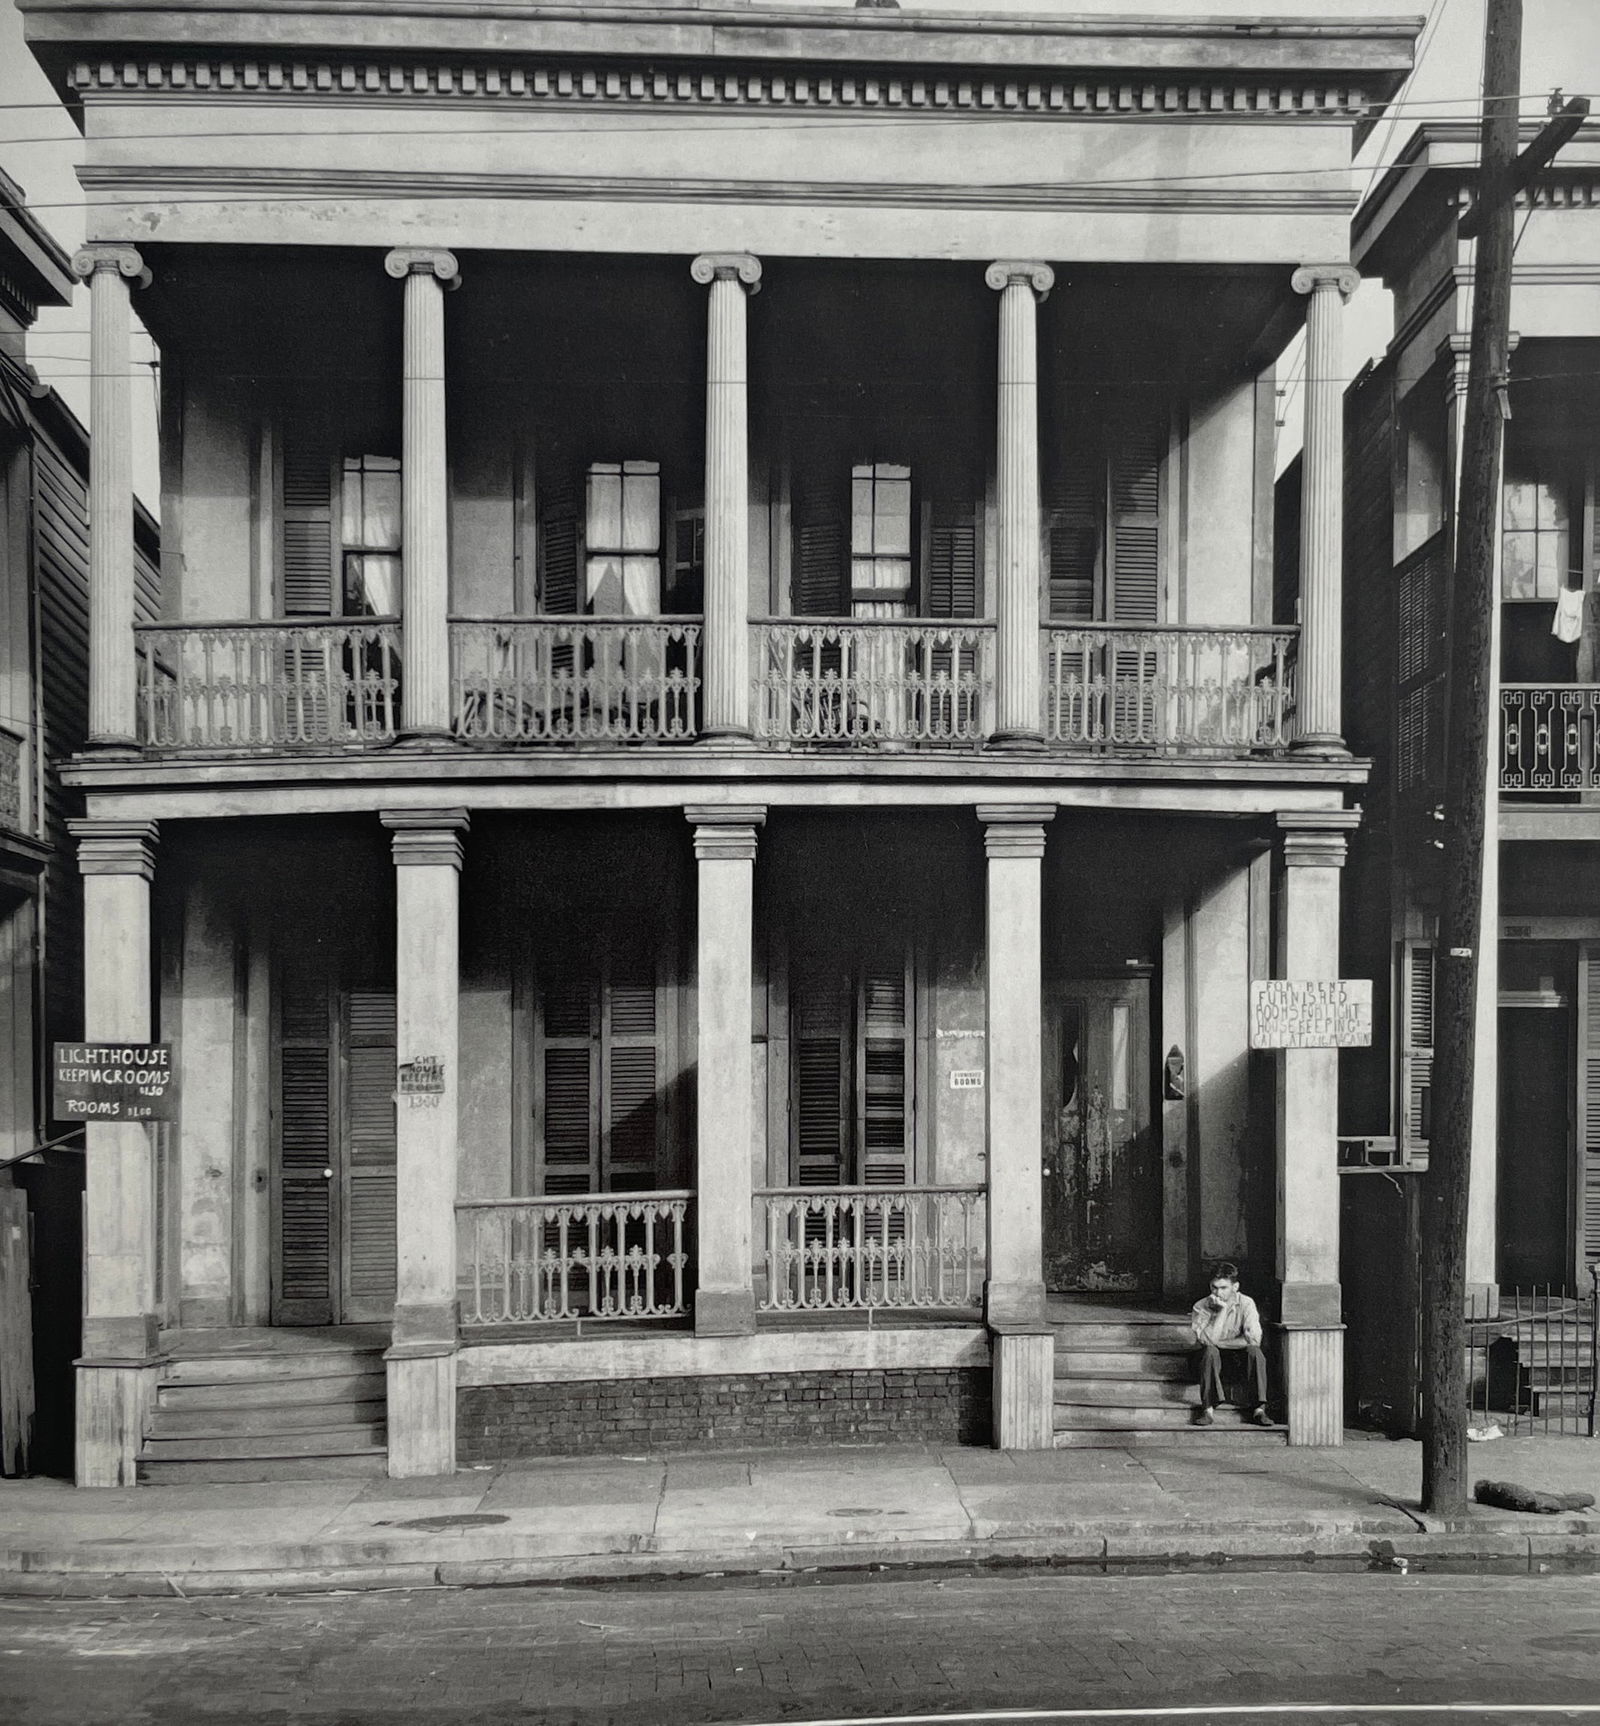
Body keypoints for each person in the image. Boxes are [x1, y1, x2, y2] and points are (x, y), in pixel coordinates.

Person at [1190, 1262, 1271, 1426]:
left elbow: (1254, 1340)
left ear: (1235, 1287)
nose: (1217, 1293)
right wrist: (1220, 1312)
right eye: (1214, 1287)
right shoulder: (1201, 1306)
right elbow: (1207, 1342)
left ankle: (1259, 1410)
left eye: (1223, 1288)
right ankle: (1207, 1410)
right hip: (1206, 1363)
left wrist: (1219, 1342)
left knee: (1255, 1352)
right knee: (1210, 1351)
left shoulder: (1246, 1303)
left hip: (1236, 1361)